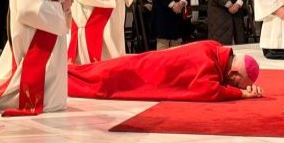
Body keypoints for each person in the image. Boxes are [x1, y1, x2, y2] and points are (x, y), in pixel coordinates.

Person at [69, 40, 263, 101]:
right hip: (141, 75)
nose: (232, 85)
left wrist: (241, 89)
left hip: (146, 64)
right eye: (236, 82)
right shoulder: (208, 65)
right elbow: (208, 90)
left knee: (96, 72)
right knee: (99, 82)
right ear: (233, 74)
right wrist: (240, 94)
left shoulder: (215, 48)